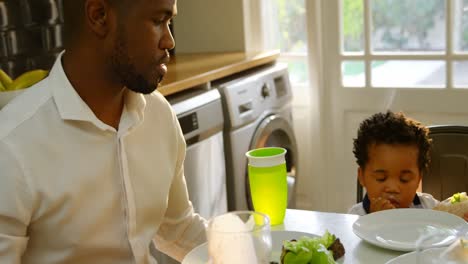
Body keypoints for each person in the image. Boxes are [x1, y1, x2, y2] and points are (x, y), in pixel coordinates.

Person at [0, 0, 207, 263]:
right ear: (99, 16)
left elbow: (178, 230)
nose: (169, 41)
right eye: (158, 21)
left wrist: (246, 248)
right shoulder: (11, 145)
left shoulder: (159, 115)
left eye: (169, 22)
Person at [348, 111, 468, 221]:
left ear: (418, 179)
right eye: (381, 178)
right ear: (362, 177)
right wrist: (376, 222)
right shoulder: (355, 217)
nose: (393, 188)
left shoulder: (429, 207)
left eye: (404, 179)